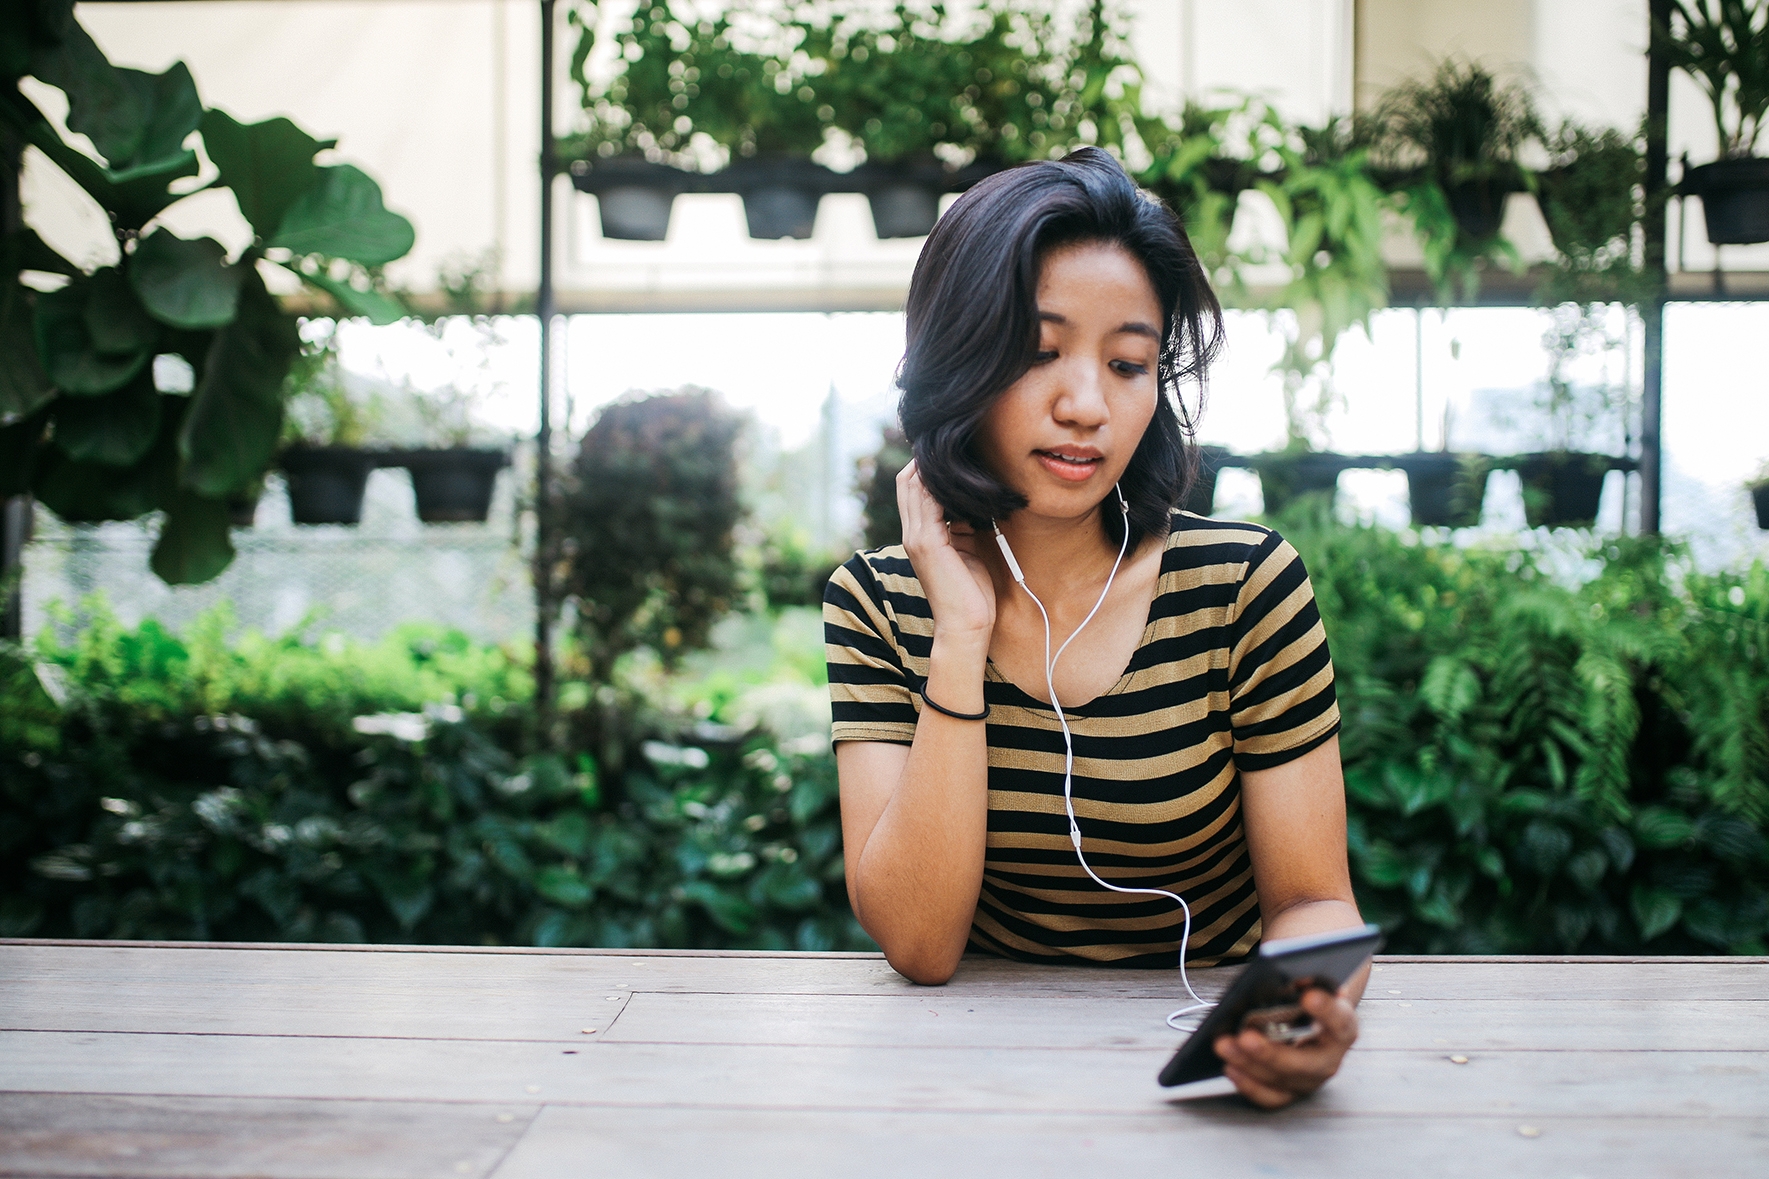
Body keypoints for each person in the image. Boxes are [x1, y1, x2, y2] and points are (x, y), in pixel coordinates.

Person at [822, 147, 1368, 1109]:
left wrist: (1293, 1018)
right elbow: (917, 943)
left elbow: (1312, 901)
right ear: (960, 359)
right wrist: (958, 631)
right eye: (1039, 351)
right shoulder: (874, 604)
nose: (1086, 406)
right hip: (961, 1083)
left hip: (1204, 1075)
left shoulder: (1241, 586)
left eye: (1127, 363)